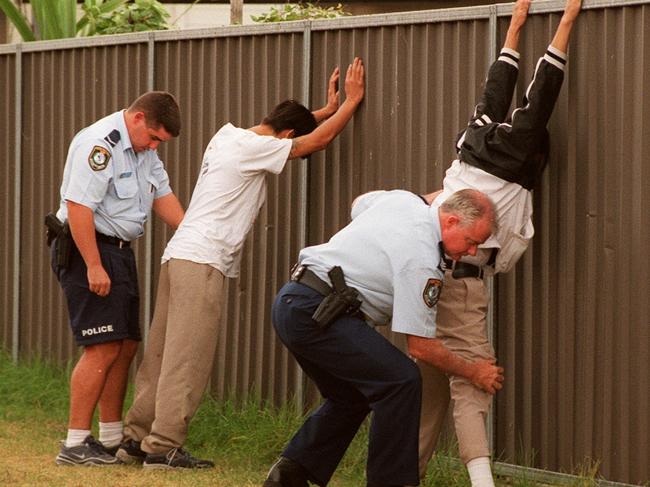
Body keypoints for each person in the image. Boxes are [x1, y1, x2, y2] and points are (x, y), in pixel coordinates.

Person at [116, 59, 366, 469]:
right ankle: (163, 448)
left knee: (160, 353)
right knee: (187, 357)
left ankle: (135, 439)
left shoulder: (229, 136)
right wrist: (350, 103)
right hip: (204, 260)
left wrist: (322, 111)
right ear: (284, 136)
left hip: (177, 256)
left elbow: (285, 128)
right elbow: (314, 142)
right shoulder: (257, 149)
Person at [416, 1, 583, 486]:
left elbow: (499, 86)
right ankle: (483, 483)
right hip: (461, 284)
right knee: (474, 378)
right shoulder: (519, 150)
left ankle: (402, 473)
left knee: (428, 383)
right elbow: (544, 87)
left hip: (422, 272)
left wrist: (515, 24)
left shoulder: (475, 134)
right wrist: (568, 18)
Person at [263, 188, 504, 487]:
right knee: (401, 380)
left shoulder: (401, 200)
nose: (471, 253)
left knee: (350, 396)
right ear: (451, 221)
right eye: (471, 242)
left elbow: (357, 204)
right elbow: (421, 347)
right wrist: (473, 371)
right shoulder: (422, 259)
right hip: (317, 311)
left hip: (294, 302)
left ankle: (288, 475)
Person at [50, 91, 185, 466]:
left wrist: (192, 233)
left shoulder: (146, 151)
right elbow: (79, 207)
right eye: (155, 137)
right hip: (87, 248)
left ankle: (110, 438)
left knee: (124, 345)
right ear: (138, 118)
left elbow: (163, 196)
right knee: (102, 346)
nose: (156, 146)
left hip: (120, 251)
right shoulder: (101, 145)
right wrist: (93, 265)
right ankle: (75, 444)